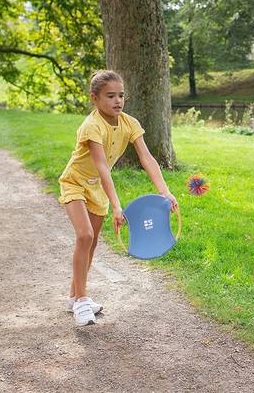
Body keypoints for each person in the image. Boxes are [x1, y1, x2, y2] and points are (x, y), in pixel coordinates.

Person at [59, 70, 179, 326]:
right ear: (94, 98)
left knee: (91, 243)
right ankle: (82, 300)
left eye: (121, 95)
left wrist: (165, 191)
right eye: (110, 96)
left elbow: (147, 158)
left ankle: (73, 297)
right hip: (75, 182)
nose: (118, 101)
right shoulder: (91, 126)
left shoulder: (129, 123)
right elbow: (102, 167)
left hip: (97, 190)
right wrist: (116, 206)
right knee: (85, 236)